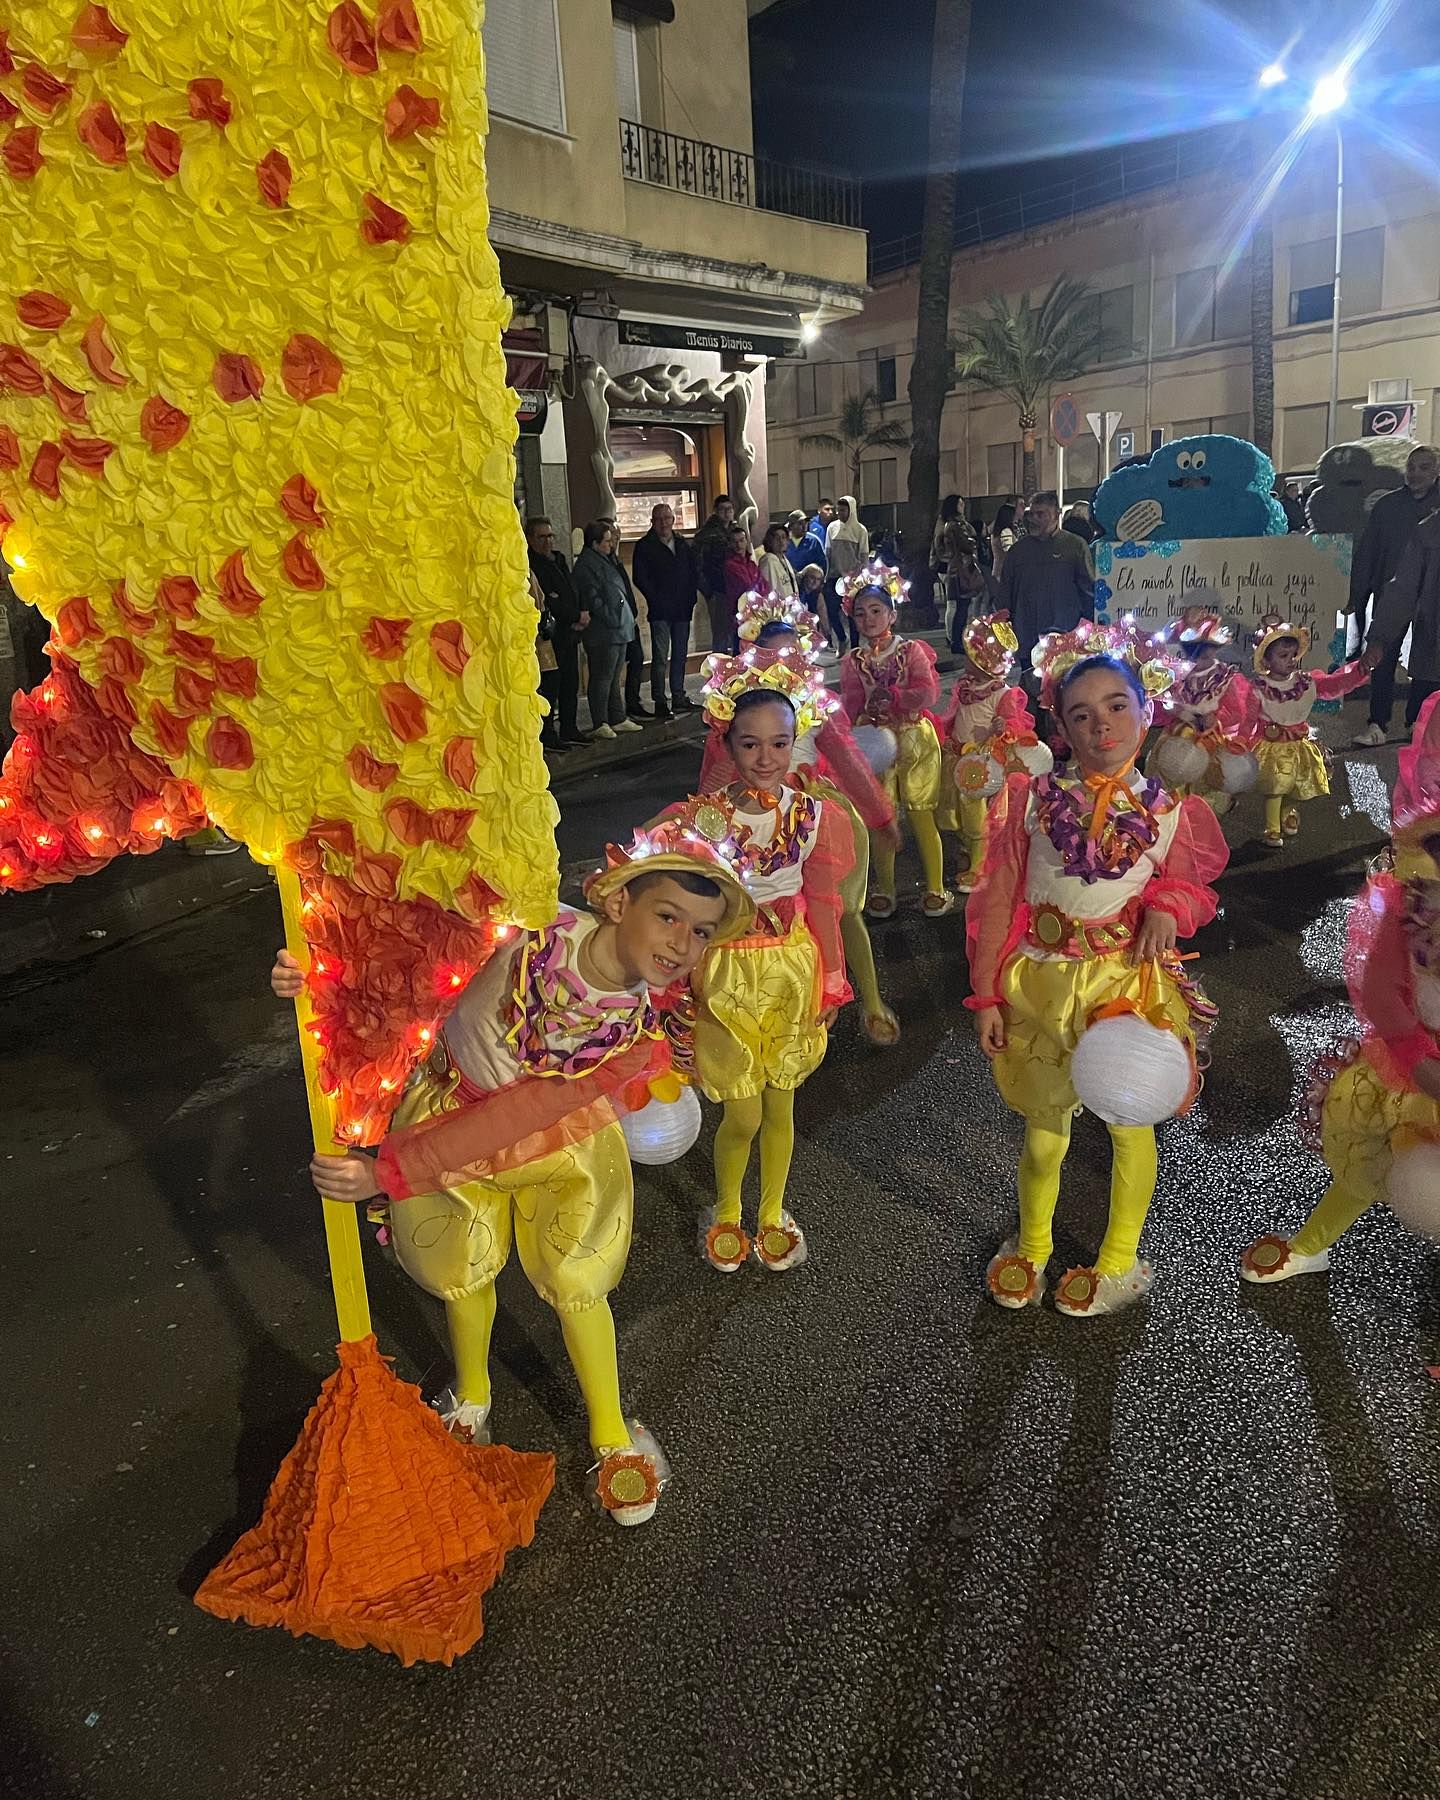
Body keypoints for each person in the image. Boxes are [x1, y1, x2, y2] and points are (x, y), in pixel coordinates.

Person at [271, 817, 753, 1525]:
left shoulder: (628, 1044)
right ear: (619, 903)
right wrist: (320, 968)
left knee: (578, 1284)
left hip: (556, 1147)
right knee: (461, 1268)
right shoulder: (530, 924)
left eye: (703, 931)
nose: (684, 944)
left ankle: (613, 1435)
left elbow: (513, 1118)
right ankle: (472, 1395)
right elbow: (416, 942)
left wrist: (392, 1170)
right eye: (669, 916)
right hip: (446, 1114)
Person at [968, 625, 1228, 1316]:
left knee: (1126, 1124)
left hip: (1124, 983)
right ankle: (1031, 1244)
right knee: (1044, 1129)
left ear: (1149, 711)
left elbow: (1194, 886)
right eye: (1081, 714)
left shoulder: (1174, 813)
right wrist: (988, 993)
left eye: (1118, 705)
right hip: (1041, 983)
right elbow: (997, 900)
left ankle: (1118, 1260)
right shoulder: (1027, 799)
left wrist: (1170, 906)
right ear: (1061, 725)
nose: (1101, 725)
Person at [1242, 696, 1440, 1286]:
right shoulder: (1414, 876)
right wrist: (1414, 1055)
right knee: (1367, 1158)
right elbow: (1381, 980)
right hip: (1418, 1059)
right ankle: (1315, 1243)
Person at [674, 663, 854, 1274]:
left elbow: (825, 901)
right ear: (726, 744)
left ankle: (772, 1210)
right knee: (742, 1111)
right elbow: (658, 886)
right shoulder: (700, 817)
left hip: (791, 969)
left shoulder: (813, 815)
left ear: (796, 738)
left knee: (782, 1106)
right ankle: (727, 1208)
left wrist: (831, 977)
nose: (766, 756)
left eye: (780, 742)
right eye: (749, 743)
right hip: (725, 972)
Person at [699, 590, 902, 1045]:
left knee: (840, 910)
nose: (783, 662)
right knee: (761, 917)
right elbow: (715, 777)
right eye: (772, 653)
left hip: (813, 819)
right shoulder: (743, 721)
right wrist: (700, 825)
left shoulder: (811, 711)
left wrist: (879, 815)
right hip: (751, 826)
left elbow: (849, 762)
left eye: (792, 652)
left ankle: (867, 999)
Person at [838, 558, 953, 918]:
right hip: (878, 743)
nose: (868, 618)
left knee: (921, 815)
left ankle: (935, 886)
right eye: (860, 613)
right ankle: (884, 888)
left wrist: (898, 698)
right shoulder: (853, 660)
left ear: (892, 615)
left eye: (876, 610)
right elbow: (850, 704)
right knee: (880, 815)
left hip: (916, 741)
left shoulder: (910, 651)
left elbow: (928, 691)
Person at [936, 612, 1050, 891]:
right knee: (952, 809)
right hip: (958, 755)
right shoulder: (965, 687)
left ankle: (979, 865)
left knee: (975, 809)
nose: (966, 664)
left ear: (986, 665)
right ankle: (970, 848)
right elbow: (954, 715)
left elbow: (1015, 723)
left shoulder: (1002, 693)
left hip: (983, 761)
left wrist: (1004, 725)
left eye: (972, 659)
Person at [1250, 617, 1365, 849]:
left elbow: (1335, 684)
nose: (1291, 661)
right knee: (1275, 786)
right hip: (1270, 746)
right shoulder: (1258, 688)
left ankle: (1288, 811)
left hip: (1299, 745)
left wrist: (1358, 672)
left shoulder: (1305, 682)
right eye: (1283, 656)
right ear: (1267, 660)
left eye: (1293, 655)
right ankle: (1272, 828)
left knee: (1298, 785)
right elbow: (1243, 715)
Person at [1353, 446, 1440, 744]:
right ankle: (1379, 722)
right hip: (1397, 593)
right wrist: (1359, 594)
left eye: (1424, 467)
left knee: (1428, 664)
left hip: (1426, 603)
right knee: (1385, 659)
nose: (1416, 473)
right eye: (1412, 466)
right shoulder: (1391, 509)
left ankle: (1416, 722)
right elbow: (1370, 554)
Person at [1148, 606, 1257, 813]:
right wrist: (1178, 712)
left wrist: (1216, 718)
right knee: (1171, 773)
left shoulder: (1223, 676)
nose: (1199, 659)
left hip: (1209, 735)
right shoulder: (1178, 673)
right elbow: (1163, 704)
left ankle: (1203, 814)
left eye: (1206, 653)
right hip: (1179, 734)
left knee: (1210, 778)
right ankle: (1174, 813)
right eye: (1193, 653)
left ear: (1215, 649)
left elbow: (1236, 711)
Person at [997, 490, 1094, 671]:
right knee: (1031, 689)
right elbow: (1005, 593)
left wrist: (1090, 630)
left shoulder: (1075, 546)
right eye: (1031, 514)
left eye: (1040, 514)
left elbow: (1088, 590)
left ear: (1056, 514)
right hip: (1027, 636)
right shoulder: (1018, 552)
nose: (1033, 519)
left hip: (1066, 636)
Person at [631, 502, 699, 720]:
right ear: (652, 522)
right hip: (660, 610)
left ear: (673, 520)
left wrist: (691, 598)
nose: (663, 523)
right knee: (660, 657)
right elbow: (640, 577)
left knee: (680, 654)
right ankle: (660, 700)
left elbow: (692, 571)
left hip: (682, 609)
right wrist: (656, 598)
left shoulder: (681, 543)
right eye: (659, 519)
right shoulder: (645, 545)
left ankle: (678, 696)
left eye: (667, 518)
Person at [575, 520, 641, 739]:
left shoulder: (606, 560)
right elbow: (592, 597)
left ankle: (617, 716)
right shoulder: (587, 565)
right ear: (595, 543)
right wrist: (612, 616)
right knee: (602, 677)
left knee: (613, 677)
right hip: (604, 630)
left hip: (617, 628)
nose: (610, 545)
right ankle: (600, 721)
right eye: (606, 541)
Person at [526, 517, 588, 745]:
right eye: (541, 537)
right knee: (551, 684)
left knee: (571, 681)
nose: (547, 541)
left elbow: (570, 591)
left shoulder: (559, 559)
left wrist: (580, 613)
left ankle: (570, 727)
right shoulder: (532, 565)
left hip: (570, 631)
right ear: (530, 539)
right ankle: (548, 731)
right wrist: (572, 615)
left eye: (550, 536)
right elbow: (548, 600)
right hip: (551, 635)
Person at [600, 521, 652, 722]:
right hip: (616, 622)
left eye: (616, 534)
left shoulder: (614, 559)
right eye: (611, 535)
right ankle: (612, 713)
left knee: (637, 657)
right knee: (611, 672)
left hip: (628, 619)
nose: (615, 539)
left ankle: (632, 701)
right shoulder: (603, 562)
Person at [531, 564, 568, 756]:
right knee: (540, 690)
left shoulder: (530, 571)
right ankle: (541, 736)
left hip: (542, 639)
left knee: (551, 684)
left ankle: (548, 733)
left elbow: (541, 599)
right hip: (531, 642)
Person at [694, 493, 738, 655]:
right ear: (716, 511)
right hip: (718, 590)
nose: (727, 513)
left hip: (736, 588)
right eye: (722, 509)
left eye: (730, 509)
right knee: (720, 633)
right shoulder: (707, 534)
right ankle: (720, 672)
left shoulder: (735, 531)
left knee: (738, 631)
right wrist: (708, 591)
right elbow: (697, 565)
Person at [825, 495, 869, 653]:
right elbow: (828, 552)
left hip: (853, 580)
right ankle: (842, 639)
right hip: (834, 577)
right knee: (831, 611)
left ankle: (855, 649)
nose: (839, 513)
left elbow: (864, 555)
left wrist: (862, 577)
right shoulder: (832, 528)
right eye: (838, 510)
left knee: (852, 614)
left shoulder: (860, 530)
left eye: (843, 510)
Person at [722, 524, 763, 617]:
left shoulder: (751, 564)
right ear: (730, 544)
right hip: (740, 612)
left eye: (741, 540)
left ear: (746, 541)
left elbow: (762, 584)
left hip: (757, 610)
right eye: (734, 541)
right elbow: (745, 585)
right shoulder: (729, 565)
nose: (738, 545)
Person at [784, 509, 826, 585]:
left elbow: (822, 565)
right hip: (788, 584)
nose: (804, 527)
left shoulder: (814, 541)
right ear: (791, 526)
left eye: (806, 523)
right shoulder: (784, 541)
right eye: (800, 524)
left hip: (809, 586)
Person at [758, 522, 799, 599]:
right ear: (770, 541)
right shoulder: (768, 561)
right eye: (776, 538)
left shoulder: (784, 559)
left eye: (783, 537)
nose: (780, 541)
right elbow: (769, 592)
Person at [989, 500, 1019, 583]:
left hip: (997, 570)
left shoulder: (996, 532)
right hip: (1003, 572)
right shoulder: (1006, 531)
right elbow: (1009, 550)